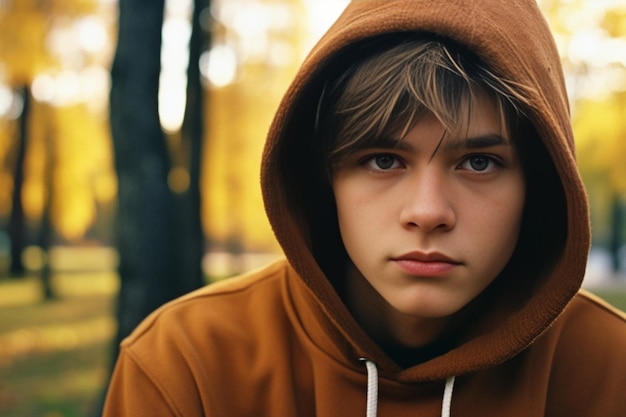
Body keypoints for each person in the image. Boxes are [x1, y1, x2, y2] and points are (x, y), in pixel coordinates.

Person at [102, 0, 626, 416]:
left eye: (480, 163)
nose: (427, 211)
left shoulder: (609, 372)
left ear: (539, 186)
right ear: (323, 177)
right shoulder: (187, 366)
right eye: (383, 160)